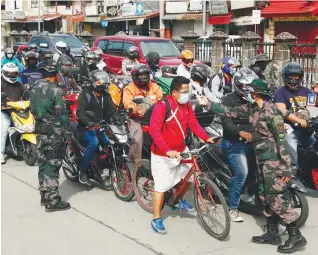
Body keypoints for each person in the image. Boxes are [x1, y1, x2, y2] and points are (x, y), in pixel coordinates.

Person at [199, 79, 307, 254]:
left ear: (256, 93)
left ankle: (296, 236)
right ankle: (272, 233)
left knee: (277, 198)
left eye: (251, 91)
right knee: (264, 196)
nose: (249, 93)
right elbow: (230, 111)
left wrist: (285, 168)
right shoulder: (253, 108)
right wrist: (209, 104)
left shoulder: (272, 113)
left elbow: (282, 142)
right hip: (261, 161)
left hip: (274, 163)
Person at [149, 76, 215, 234]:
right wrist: (167, 150)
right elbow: (154, 131)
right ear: (174, 93)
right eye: (183, 92)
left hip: (181, 148)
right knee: (161, 186)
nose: (186, 95)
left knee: (190, 175)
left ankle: (176, 199)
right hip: (162, 153)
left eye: (188, 91)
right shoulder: (162, 106)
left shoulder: (186, 106)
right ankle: (156, 219)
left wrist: (206, 137)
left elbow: (193, 123)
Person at [29, 61, 71, 212]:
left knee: (43, 163)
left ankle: (44, 196)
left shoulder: (33, 88)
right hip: (54, 132)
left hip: (39, 130)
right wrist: (67, 134)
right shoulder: (56, 91)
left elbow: (32, 109)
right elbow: (63, 115)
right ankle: (52, 201)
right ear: (55, 74)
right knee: (53, 165)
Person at [220, 72, 258, 222]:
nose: (248, 89)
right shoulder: (228, 99)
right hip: (234, 143)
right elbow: (225, 121)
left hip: (254, 141)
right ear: (237, 85)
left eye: (250, 86)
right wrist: (240, 132)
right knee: (242, 172)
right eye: (244, 85)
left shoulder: (256, 100)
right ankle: (233, 207)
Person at [76, 70, 117, 184]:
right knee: (94, 142)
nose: (102, 85)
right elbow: (80, 113)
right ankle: (83, 171)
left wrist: (121, 117)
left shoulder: (106, 96)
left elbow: (112, 111)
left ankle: (104, 167)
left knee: (111, 143)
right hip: (86, 128)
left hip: (102, 127)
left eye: (104, 82)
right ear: (93, 82)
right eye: (99, 82)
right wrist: (88, 122)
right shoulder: (85, 95)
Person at [273, 62, 317, 166]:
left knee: (314, 152)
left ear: (300, 77)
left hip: (307, 130)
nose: (293, 79)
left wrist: (316, 93)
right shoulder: (280, 93)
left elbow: (313, 107)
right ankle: (292, 176)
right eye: (290, 76)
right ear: (285, 77)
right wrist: (300, 121)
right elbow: (283, 112)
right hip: (289, 130)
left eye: (295, 76)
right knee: (292, 158)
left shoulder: (307, 91)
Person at [123, 64, 163, 164]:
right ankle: (135, 166)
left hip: (153, 117)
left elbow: (160, 98)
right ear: (135, 76)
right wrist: (148, 102)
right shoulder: (128, 89)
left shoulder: (155, 86)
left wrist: (146, 102)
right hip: (136, 118)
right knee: (137, 140)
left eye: (145, 75)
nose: (144, 77)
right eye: (141, 76)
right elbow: (128, 104)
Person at [1, 63, 25, 164]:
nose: (12, 76)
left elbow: (25, 95)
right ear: (4, 73)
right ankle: (1, 153)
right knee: (4, 127)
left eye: (14, 73)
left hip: (18, 111)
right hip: (4, 111)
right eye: (9, 74)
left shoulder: (19, 84)